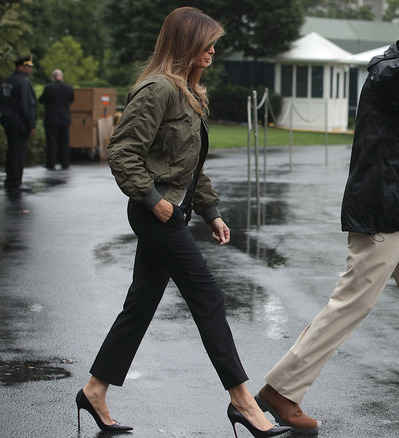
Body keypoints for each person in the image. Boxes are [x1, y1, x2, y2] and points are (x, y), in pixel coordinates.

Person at [255, 4, 399, 434]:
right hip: (383, 214)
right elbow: (387, 80)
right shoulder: (389, 68)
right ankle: (281, 391)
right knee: (352, 304)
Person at [76, 8, 289, 437]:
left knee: (140, 305)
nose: (212, 50)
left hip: (173, 211)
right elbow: (121, 152)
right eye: (206, 42)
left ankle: (94, 390)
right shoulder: (157, 90)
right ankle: (243, 402)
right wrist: (154, 202)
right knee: (208, 296)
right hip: (156, 214)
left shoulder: (189, 92)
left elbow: (190, 165)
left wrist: (211, 211)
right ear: (185, 44)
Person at [1, 55, 37, 191]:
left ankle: (10, 179)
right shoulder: (22, 82)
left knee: (11, 152)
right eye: (29, 66)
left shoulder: (8, 81)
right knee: (18, 154)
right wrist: (31, 125)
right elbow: (27, 106)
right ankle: (16, 182)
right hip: (20, 123)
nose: (30, 69)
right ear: (22, 66)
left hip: (9, 122)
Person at [38, 69, 74, 170]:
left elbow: (41, 100)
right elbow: (71, 100)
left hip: (51, 118)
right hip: (64, 118)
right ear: (61, 77)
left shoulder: (49, 88)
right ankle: (65, 162)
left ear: (53, 77)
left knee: (51, 141)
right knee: (64, 141)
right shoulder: (69, 88)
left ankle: (51, 163)